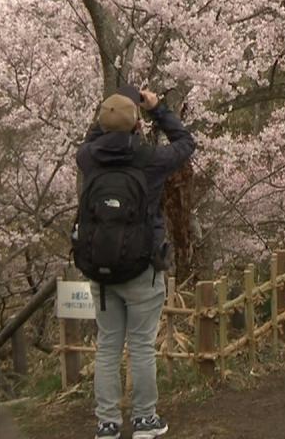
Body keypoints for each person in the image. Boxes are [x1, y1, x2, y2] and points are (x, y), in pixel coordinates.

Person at [76, 87, 196, 439]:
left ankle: (107, 423)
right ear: (135, 126)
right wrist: (159, 109)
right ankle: (144, 419)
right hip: (143, 265)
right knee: (142, 345)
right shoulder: (150, 159)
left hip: (100, 269)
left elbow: (92, 137)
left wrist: (114, 105)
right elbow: (186, 143)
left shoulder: (87, 158)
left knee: (108, 344)